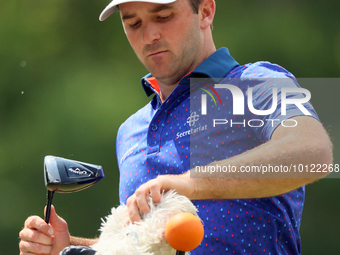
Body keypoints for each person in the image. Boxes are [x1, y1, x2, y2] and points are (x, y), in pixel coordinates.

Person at [19, 0, 333, 254]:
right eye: (134, 23)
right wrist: (69, 248)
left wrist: (190, 183)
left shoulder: (257, 81)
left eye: (164, 15)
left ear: (206, 11)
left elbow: (315, 153)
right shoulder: (130, 130)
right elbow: (146, 243)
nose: (148, 36)